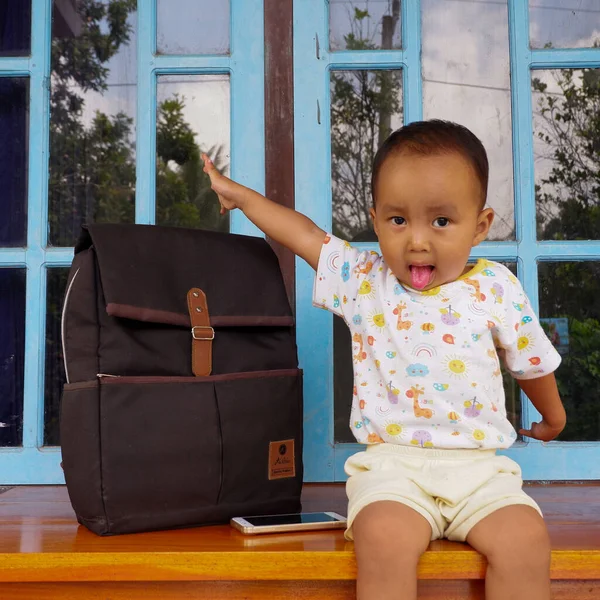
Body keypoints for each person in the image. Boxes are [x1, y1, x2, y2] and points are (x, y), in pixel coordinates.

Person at [201, 120, 566, 600]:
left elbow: (531, 363)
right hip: (393, 470)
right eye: (398, 220)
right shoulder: (365, 279)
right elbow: (304, 236)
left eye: (441, 221)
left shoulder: (496, 287)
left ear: (479, 226)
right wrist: (244, 199)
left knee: (525, 540)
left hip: (481, 471)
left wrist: (553, 416)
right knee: (384, 538)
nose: (417, 240)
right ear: (375, 221)